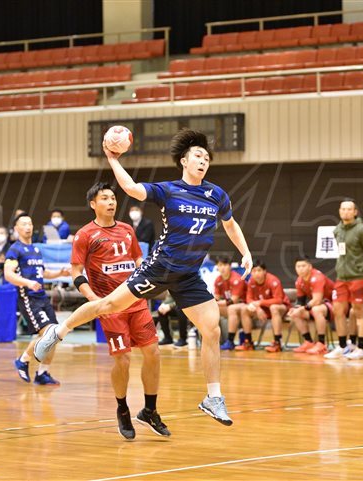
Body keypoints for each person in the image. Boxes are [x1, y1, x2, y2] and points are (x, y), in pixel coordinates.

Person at [35, 129, 253, 426]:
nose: (203, 161)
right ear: (184, 161)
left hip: (188, 276)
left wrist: (245, 251)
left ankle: (213, 398)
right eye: (197, 156)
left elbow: (230, 224)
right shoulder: (168, 190)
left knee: (211, 330)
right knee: (108, 305)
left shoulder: (217, 195)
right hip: (159, 269)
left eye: (206, 158)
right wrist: (113, 159)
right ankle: (57, 333)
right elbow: (132, 188)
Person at [71, 182, 169, 439]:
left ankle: (149, 410)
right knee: (123, 359)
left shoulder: (127, 229)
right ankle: (123, 409)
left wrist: (147, 276)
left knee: (153, 353)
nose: (111, 202)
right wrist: (94, 300)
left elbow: (138, 259)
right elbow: (76, 272)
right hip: (110, 306)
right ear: (93, 204)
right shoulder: (85, 235)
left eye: (113, 198)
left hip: (135, 300)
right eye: (105, 198)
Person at [6, 213, 69, 386]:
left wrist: (60, 273)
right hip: (29, 298)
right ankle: (23, 360)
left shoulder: (36, 250)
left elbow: (43, 273)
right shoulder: (15, 250)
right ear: (16, 228)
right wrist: (27, 283)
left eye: (30, 224)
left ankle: (42, 373)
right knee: (48, 333)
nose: (28, 227)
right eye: (24, 224)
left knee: (55, 334)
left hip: (42, 297)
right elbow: (8, 274)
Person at [326, 199, 363, 360]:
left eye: (349, 209)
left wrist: (362, 269)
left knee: (358, 311)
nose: (346, 212)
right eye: (343, 209)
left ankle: (360, 348)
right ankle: (342, 346)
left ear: (355, 212)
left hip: (358, 277)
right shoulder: (337, 230)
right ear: (339, 211)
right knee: (338, 311)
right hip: (341, 277)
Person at [237, 260, 290, 352]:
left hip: (281, 307)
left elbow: (278, 300)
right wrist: (257, 308)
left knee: (274, 308)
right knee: (244, 309)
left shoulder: (273, 280)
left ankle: (277, 342)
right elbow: (249, 299)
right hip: (264, 309)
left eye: (259, 270)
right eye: (254, 271)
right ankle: (248, 342)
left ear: (264, 271)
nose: (256, 273)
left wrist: (260, 303)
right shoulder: (251, 281)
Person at [289, 256, 335, 355]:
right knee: (295, 313)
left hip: (334, 304)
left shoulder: (317, 277)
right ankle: (308, 342)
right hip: (320, 306)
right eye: (298, 266)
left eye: (303, 266)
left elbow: (317, 300)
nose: (300, 269)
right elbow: (300, 301)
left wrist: (303, 308)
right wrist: (296, 309)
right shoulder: (299, 281)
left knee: (316, 309)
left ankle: (321, 344)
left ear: (310, 267)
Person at [215, 256, 248, 351]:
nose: (222, 268)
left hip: (244, 305)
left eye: (225, 265)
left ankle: (230, 341)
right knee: (210, 309)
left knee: (231, 308)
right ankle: (215, 340)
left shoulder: (237, 278)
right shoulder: (218, 280)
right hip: (230, 306)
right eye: (220, 265)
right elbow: (216, 298)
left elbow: (233, 300)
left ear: (230, 266)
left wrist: (215, 303)